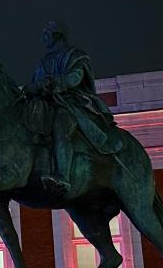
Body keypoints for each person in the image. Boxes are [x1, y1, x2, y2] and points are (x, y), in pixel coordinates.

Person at [23, 21, 121, 195]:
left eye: (46, 35)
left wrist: (57, 83)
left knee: (61, 127)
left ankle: (63, 176)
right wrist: (33, 88)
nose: (43, 39)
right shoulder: (43, 62)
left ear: (56, 35)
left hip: (71, 103)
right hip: (47, 105)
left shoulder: (74, 55)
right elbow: (33, 84)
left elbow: (76, 77)